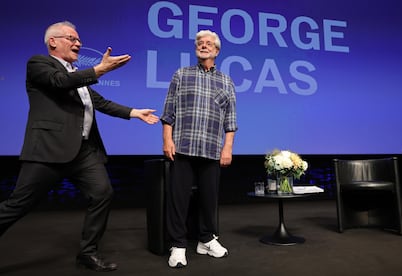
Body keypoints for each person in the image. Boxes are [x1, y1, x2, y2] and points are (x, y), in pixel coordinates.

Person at [0, 21, 159, 272]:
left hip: (84, 151)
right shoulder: (39, 64)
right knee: (18, 204)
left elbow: (100, 102)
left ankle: (88, 252)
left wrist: (134, 112)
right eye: (71, 38)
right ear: (53, 41)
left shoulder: (78, 75)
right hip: (48, 150)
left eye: (78, 39)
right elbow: (59, 82)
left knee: (102, 193)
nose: (78, 43)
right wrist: (99, 70)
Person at [161, 30, 238, 268]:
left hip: (212, 150)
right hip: (183, 146)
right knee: (178, 199)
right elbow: (168, 112)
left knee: (209, 199)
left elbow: (231, 120)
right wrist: (167, 140)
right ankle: (178, 245)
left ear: (216, 51)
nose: (203, 46)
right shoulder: (181, 75)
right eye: (199, 43)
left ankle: (206, 240)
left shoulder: (226, 81)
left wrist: (227, 148)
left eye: (208, 44)